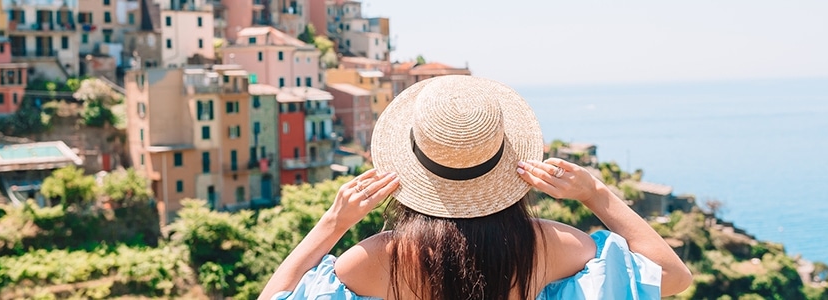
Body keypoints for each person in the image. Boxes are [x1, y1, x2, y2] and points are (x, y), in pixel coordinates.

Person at [260, 76, 692, 299]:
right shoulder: (552, 244)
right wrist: (595, 194)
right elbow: (672, 277)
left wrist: (332, 224)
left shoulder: (380, 258)